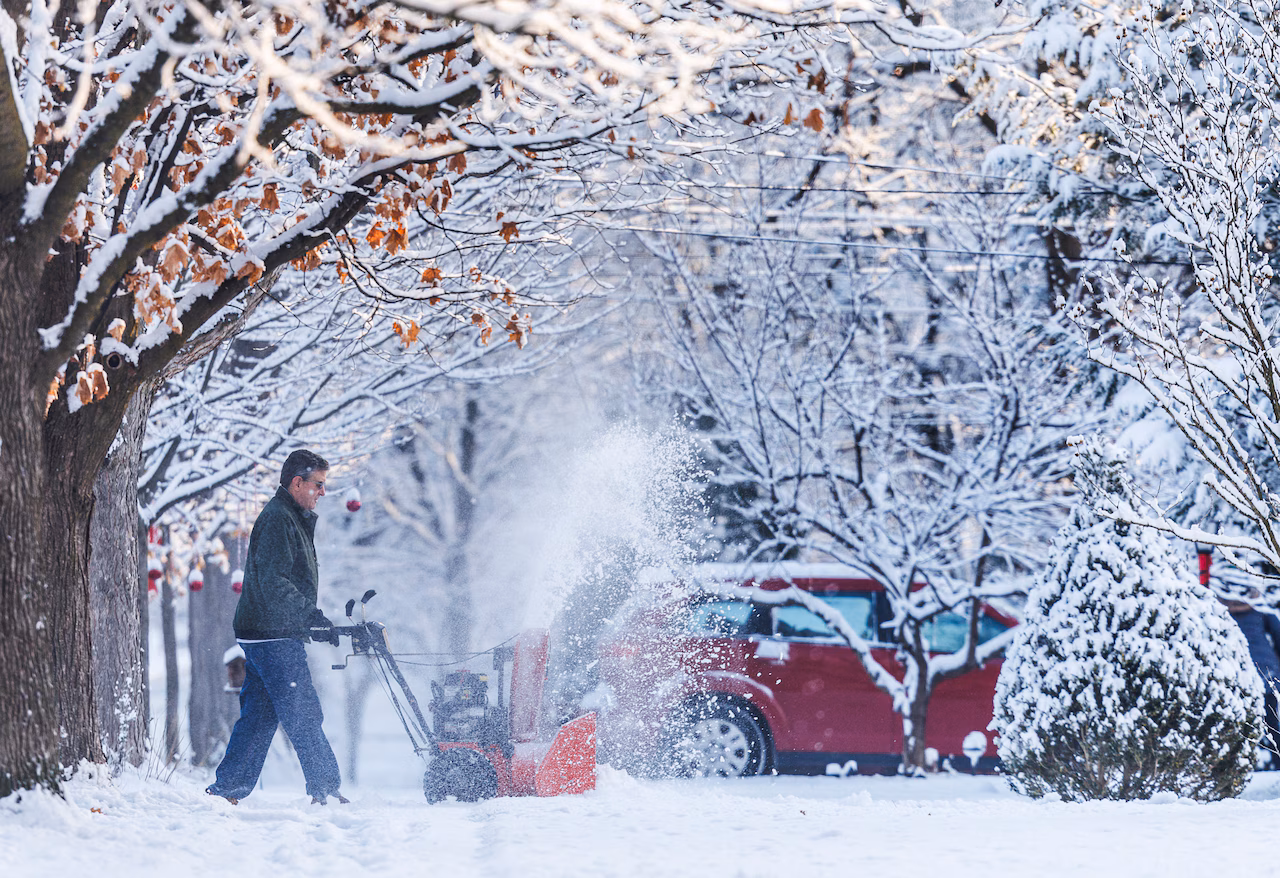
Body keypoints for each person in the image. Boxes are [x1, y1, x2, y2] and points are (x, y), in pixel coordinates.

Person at [207, 450, 346, 804]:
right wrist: (309, 615)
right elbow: (274, 581)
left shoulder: (290, 517)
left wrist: (307, 618)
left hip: (266, 630)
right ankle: (325, 789)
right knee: (302, 709)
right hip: (272, 633)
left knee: (260, 717)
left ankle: (226, 791)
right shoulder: (279, 519)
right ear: (297, 482)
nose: (322, 493)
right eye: (318, 484)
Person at [1223, 593, 1280, 767]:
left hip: (1237, 673)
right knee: (1271, 721)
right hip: (1265, 671)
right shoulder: (1258, 607)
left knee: (1242, 722)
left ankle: (1246, 764)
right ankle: (1276, 763)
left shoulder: (1220, 609)